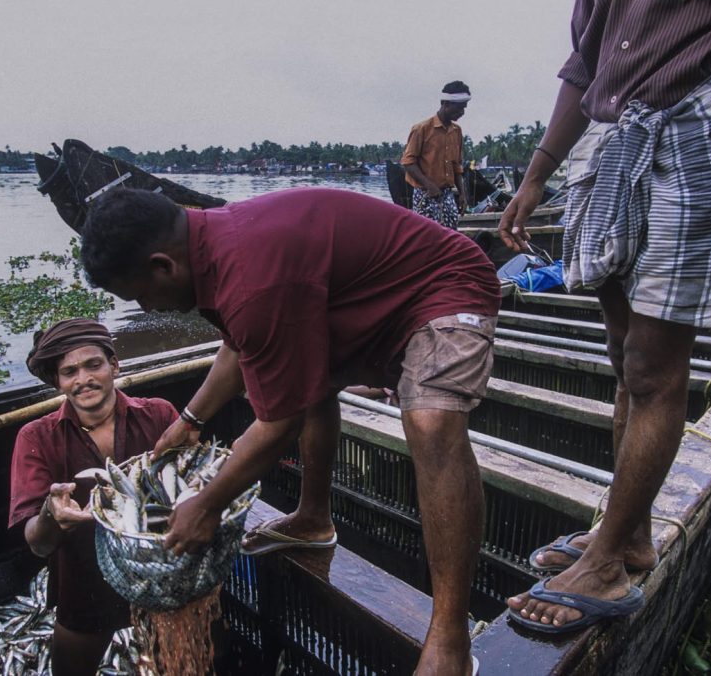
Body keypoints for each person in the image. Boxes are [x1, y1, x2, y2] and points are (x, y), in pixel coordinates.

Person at [497, 2, 711, 634]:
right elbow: (585, 64)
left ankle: (605, 565)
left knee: (654, 362)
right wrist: (537, 173)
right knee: (624, 354)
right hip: (615, 126)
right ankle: (630, 537)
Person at [79, 186, 500, 676]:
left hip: (446, 284)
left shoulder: (249, 275)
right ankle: (313, 519)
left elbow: (280, 423)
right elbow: (238, 349)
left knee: (430, 421)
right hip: (366, 299)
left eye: (141, 296)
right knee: (308, 384)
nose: (148, 308)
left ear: (162, 266)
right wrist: (189, 421)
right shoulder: (214, 251)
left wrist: (209, 503)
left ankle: (449, 636)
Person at [8, 319, 178, 675]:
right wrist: (52, 516)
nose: (82, 379)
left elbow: (191, 485)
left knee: (192, 660)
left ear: (114, 365)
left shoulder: (159, 414)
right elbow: (37, 545)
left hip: (162, 578)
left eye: (93, 365)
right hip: (85, 586)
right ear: (57, 381)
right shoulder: (35, 438)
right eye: (69, 371)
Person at [401, 80, 472, 230]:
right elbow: (408, 162)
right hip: (425, 193)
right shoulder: (422, 129)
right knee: (427, 235)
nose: (462, 113)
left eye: (464, 108)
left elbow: (457, 166)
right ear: (446, 104)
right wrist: (429, 186)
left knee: (451, 233)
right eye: (459, 108)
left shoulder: (456, 131)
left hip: (446, 193)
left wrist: (462, 195)